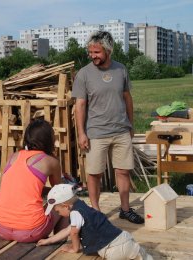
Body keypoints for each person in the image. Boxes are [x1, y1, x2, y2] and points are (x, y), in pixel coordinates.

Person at [72, 30, 144, 224]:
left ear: (108, 50)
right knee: (94, 173)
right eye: (90, 52)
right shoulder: (84, 74)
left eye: (96, 52)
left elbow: (127, 98)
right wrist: (81, 133)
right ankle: (96, 211)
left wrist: (131, 124)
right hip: (96, 132)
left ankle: (125, 209)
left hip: (121, 130)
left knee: (123, 171)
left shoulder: (121, 70)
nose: (92, 56)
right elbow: (79, 105)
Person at [0, 119, 68, 243]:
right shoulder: (51, 161)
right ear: (49, 140)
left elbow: (16, 186)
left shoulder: (13, 156)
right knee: (65, 200)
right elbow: (59, 192)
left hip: (1, 228)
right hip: (30, 231)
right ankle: (58, 242)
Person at [37, 184, 152, 260]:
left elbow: (73, 233)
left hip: (113, 249)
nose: (58, 214)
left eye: (57, 211)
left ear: (66, 206)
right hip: (124, 238)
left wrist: (74, 248)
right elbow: (68, 230)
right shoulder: (81, 206)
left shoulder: (75, 213)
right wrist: (49, 240)